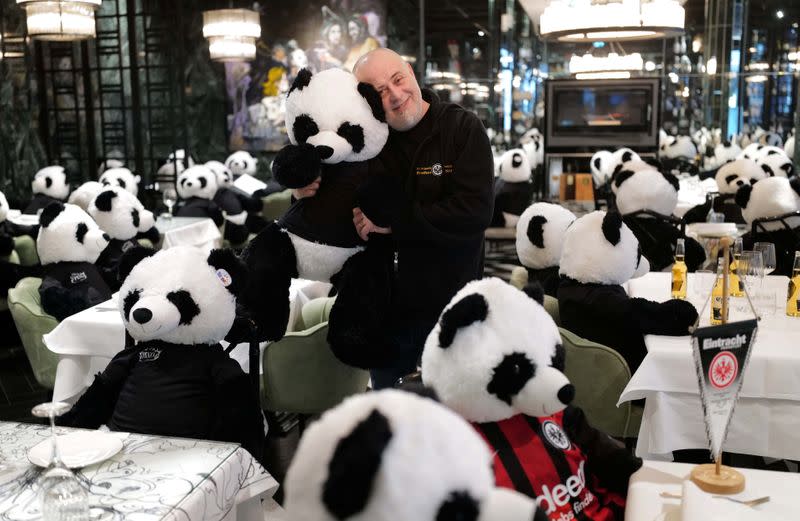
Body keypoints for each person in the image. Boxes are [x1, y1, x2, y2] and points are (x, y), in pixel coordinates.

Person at [295, 48, 494, 388]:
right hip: (388, 314)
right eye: (379, 91)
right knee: (393, 417)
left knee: (453, 423)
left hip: (453, 305)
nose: (395, 95)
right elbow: (336, 201)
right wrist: (304, 192)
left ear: (412, 73)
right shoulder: (367, 142)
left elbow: (473, 213)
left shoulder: (461, 128)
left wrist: (396, 223)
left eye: (398, 80)